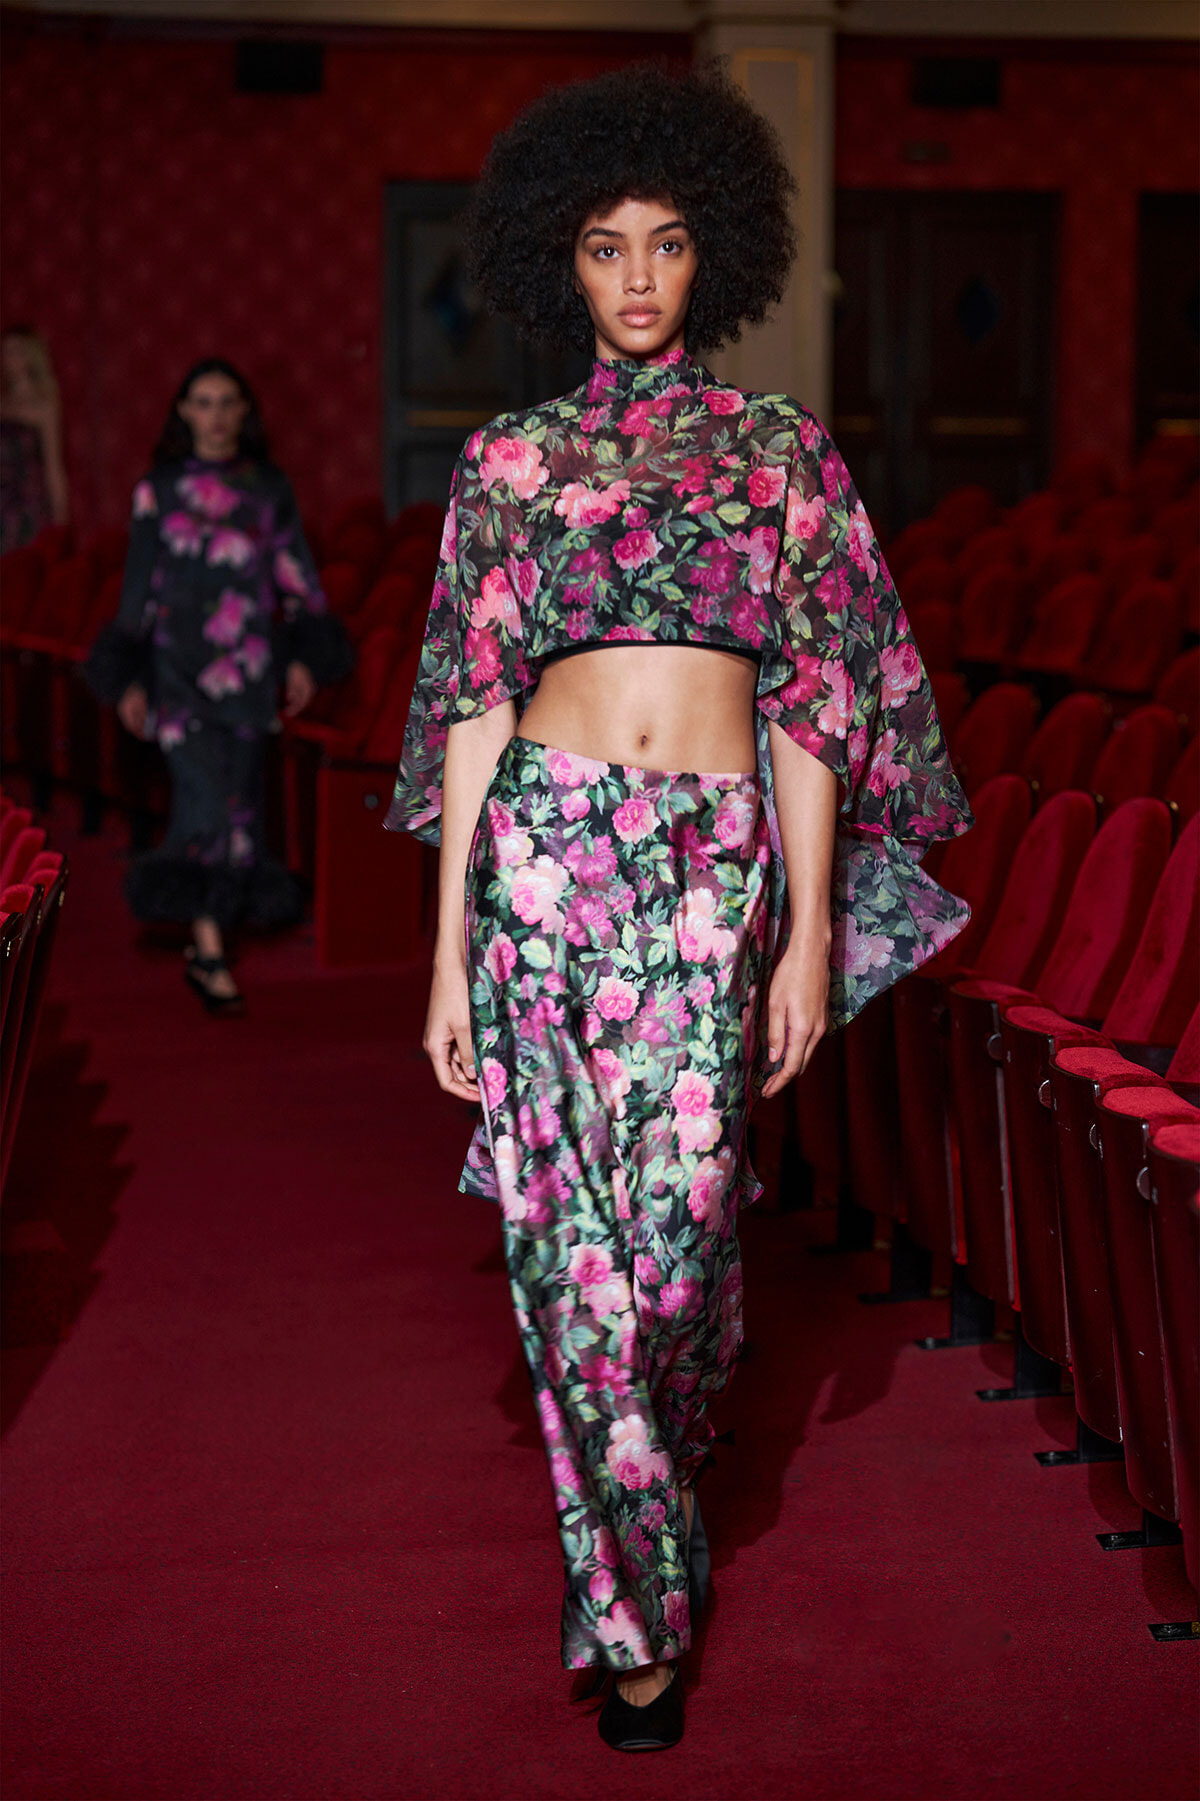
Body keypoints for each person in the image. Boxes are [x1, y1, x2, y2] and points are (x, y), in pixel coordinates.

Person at [385, 61, 973, 1750]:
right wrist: (444, 962)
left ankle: (663, 1458)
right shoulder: (506, 464)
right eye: (600, 248)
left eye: (661, 246)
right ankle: (632, 1608)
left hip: (711, 880)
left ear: (709, 257)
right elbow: (471, 710)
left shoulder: (781, 457)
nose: (635, 278)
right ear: (555, 268)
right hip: (544, 869)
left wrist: (798, 930)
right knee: (571, 1265)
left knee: (680, 1258)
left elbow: (818, 709)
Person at [86, 357, 351, 1013]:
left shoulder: (268, 488)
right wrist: (128, 679)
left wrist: (304, 660)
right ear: (183, 411)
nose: (215, 414)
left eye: (227, 401)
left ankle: (206, 939)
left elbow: (298, 582)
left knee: (237, 810)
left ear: (243, 412)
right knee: (203, 800)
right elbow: (137, 595)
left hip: (249, 671)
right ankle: (208, 949)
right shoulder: (157, 490)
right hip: (176, 673)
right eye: (202, 402)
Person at [0, 326, 68, 552]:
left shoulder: (44, 405)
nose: (10, 358)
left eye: (16, 351)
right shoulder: (3, 403)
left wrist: (61, 518)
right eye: (6, 352)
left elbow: (53, 466)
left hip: (29, 506)